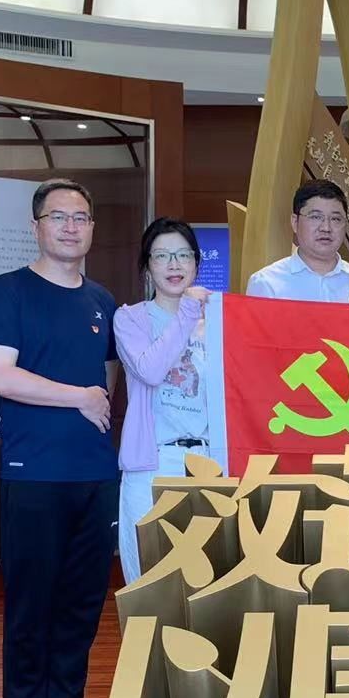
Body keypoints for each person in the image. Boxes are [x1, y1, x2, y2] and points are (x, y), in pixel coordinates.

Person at [0, 178, 116, 698]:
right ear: (36, 225)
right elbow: (1, 376)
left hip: (96, 473)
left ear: (91, 228)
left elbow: (111, 378)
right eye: (58, 216)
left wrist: (94, 398)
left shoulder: (102, 300)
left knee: (82, 606)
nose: (70, 227)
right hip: (32, 473)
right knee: (30, 604)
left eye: (80, 217)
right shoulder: (7, 291)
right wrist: (79, 396)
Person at [113, 218, 223, 585]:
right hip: (153, 463)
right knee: (149, 580)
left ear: (196, 262)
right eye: (161, 256)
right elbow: (151, 370)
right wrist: (188, 311)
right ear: (147, 266)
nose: (174, 265)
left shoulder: (219, 321)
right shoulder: (130, 319)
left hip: (209, 461)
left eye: (183, 255)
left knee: (207, 577)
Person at [245, 179, 349, 304]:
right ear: (295, 222)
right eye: (315, 217)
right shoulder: (267, 283)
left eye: (335, 219)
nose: (326, 228)